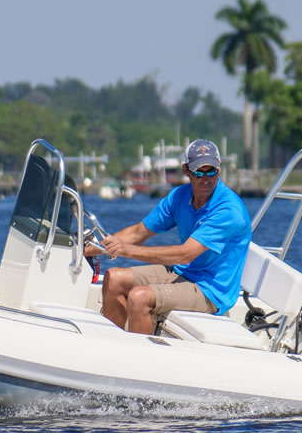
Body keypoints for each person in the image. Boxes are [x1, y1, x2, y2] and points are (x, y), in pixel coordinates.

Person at [97, 139, 251, 334]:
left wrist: (126, 250)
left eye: (211, 171)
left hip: (211, 291)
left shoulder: (229, 210)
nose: (206, 178)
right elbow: (138, 232)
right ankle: (112, 345)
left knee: (139, 298)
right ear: (186, 170)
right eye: (199, 171)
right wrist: (93, 248)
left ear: (219, 169)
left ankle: (141, 360)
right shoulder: (180, 196)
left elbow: (185, 255)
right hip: (183, 272)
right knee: (113, 278)